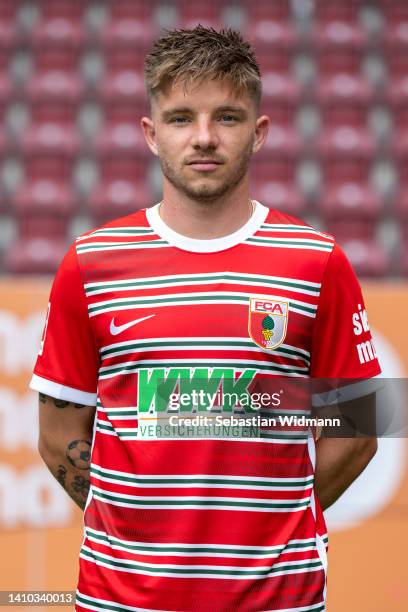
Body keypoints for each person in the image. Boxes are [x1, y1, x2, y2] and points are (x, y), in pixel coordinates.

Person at [30, 26, 381, 612]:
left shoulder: (318, 261)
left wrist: (276, 531)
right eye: (180, 118)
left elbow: (361, 433)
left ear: (259, 132)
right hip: (122, 599)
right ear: (150, 134)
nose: (203, 138)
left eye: (227, 117)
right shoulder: (89, 263)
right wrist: (135, 536)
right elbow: (55, 436)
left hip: (279, 599)